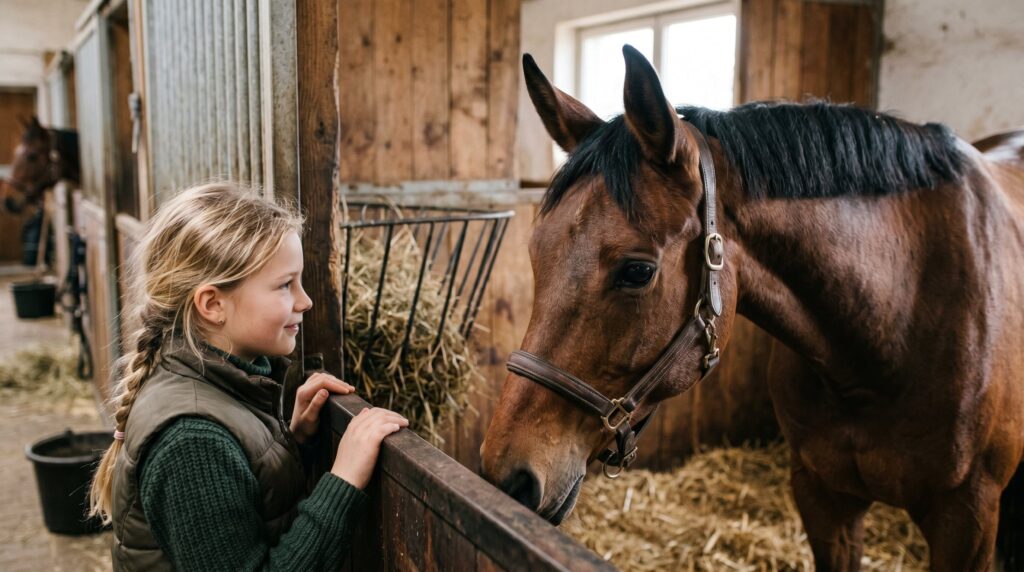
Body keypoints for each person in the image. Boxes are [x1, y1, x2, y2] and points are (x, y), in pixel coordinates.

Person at [88, 182, 407, 571]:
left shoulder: (213, 380)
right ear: (212, 304)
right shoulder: (191, 441)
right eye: (284, 285)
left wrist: (293, 443)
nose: (305, 301)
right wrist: (342, 482)